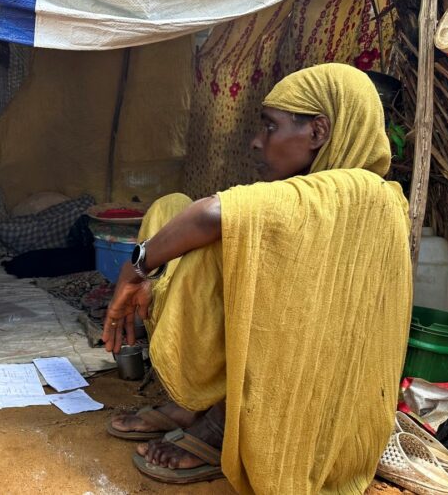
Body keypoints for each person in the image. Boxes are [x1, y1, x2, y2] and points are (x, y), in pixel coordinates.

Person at [103, 63, 412, 493]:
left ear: (319, 132)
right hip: (285, 344)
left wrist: (134, 268)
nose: (256, 141)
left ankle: (222, 420)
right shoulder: (320, 191)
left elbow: (214, 214)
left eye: (270, 128)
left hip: (306, 381)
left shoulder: (360, 192)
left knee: (208, 240)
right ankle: (189, 405)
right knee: (169, 210)